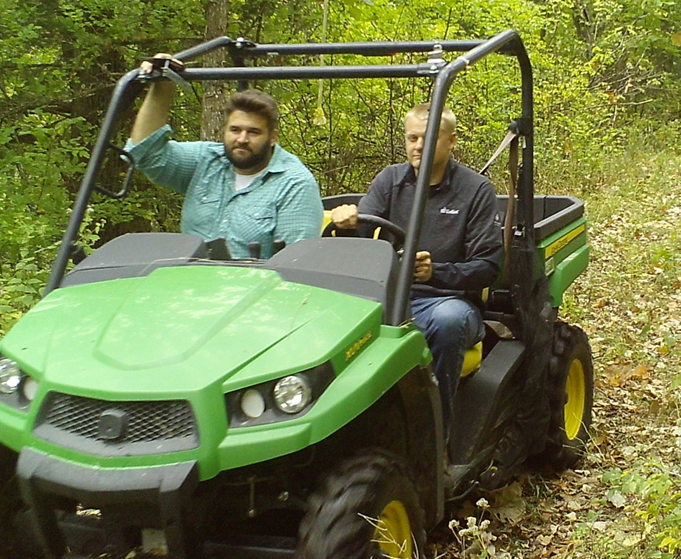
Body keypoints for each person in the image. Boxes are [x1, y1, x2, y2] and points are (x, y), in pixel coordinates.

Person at [330, 103, 503, 439]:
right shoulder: (391, 181)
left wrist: (434, 272)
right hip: (387, 297)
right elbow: (358, 239)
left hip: (446, 301)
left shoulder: (475, 190)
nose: (418, 146)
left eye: (429, 137)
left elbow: (488, 267)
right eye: (412, 138)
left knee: (448, 322)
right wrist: (346, 222)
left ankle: (435, 439)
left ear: (451, 141)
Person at [125, 54, 323, 259]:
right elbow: (146, 154)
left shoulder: (294, 184)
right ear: (224, 130)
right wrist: (163, 85)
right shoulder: (206, 161)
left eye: (253, 132)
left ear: (272, 137)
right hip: (188, 275)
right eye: (235, 130)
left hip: (255, 279)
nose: (242, 139)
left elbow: (295, 263)